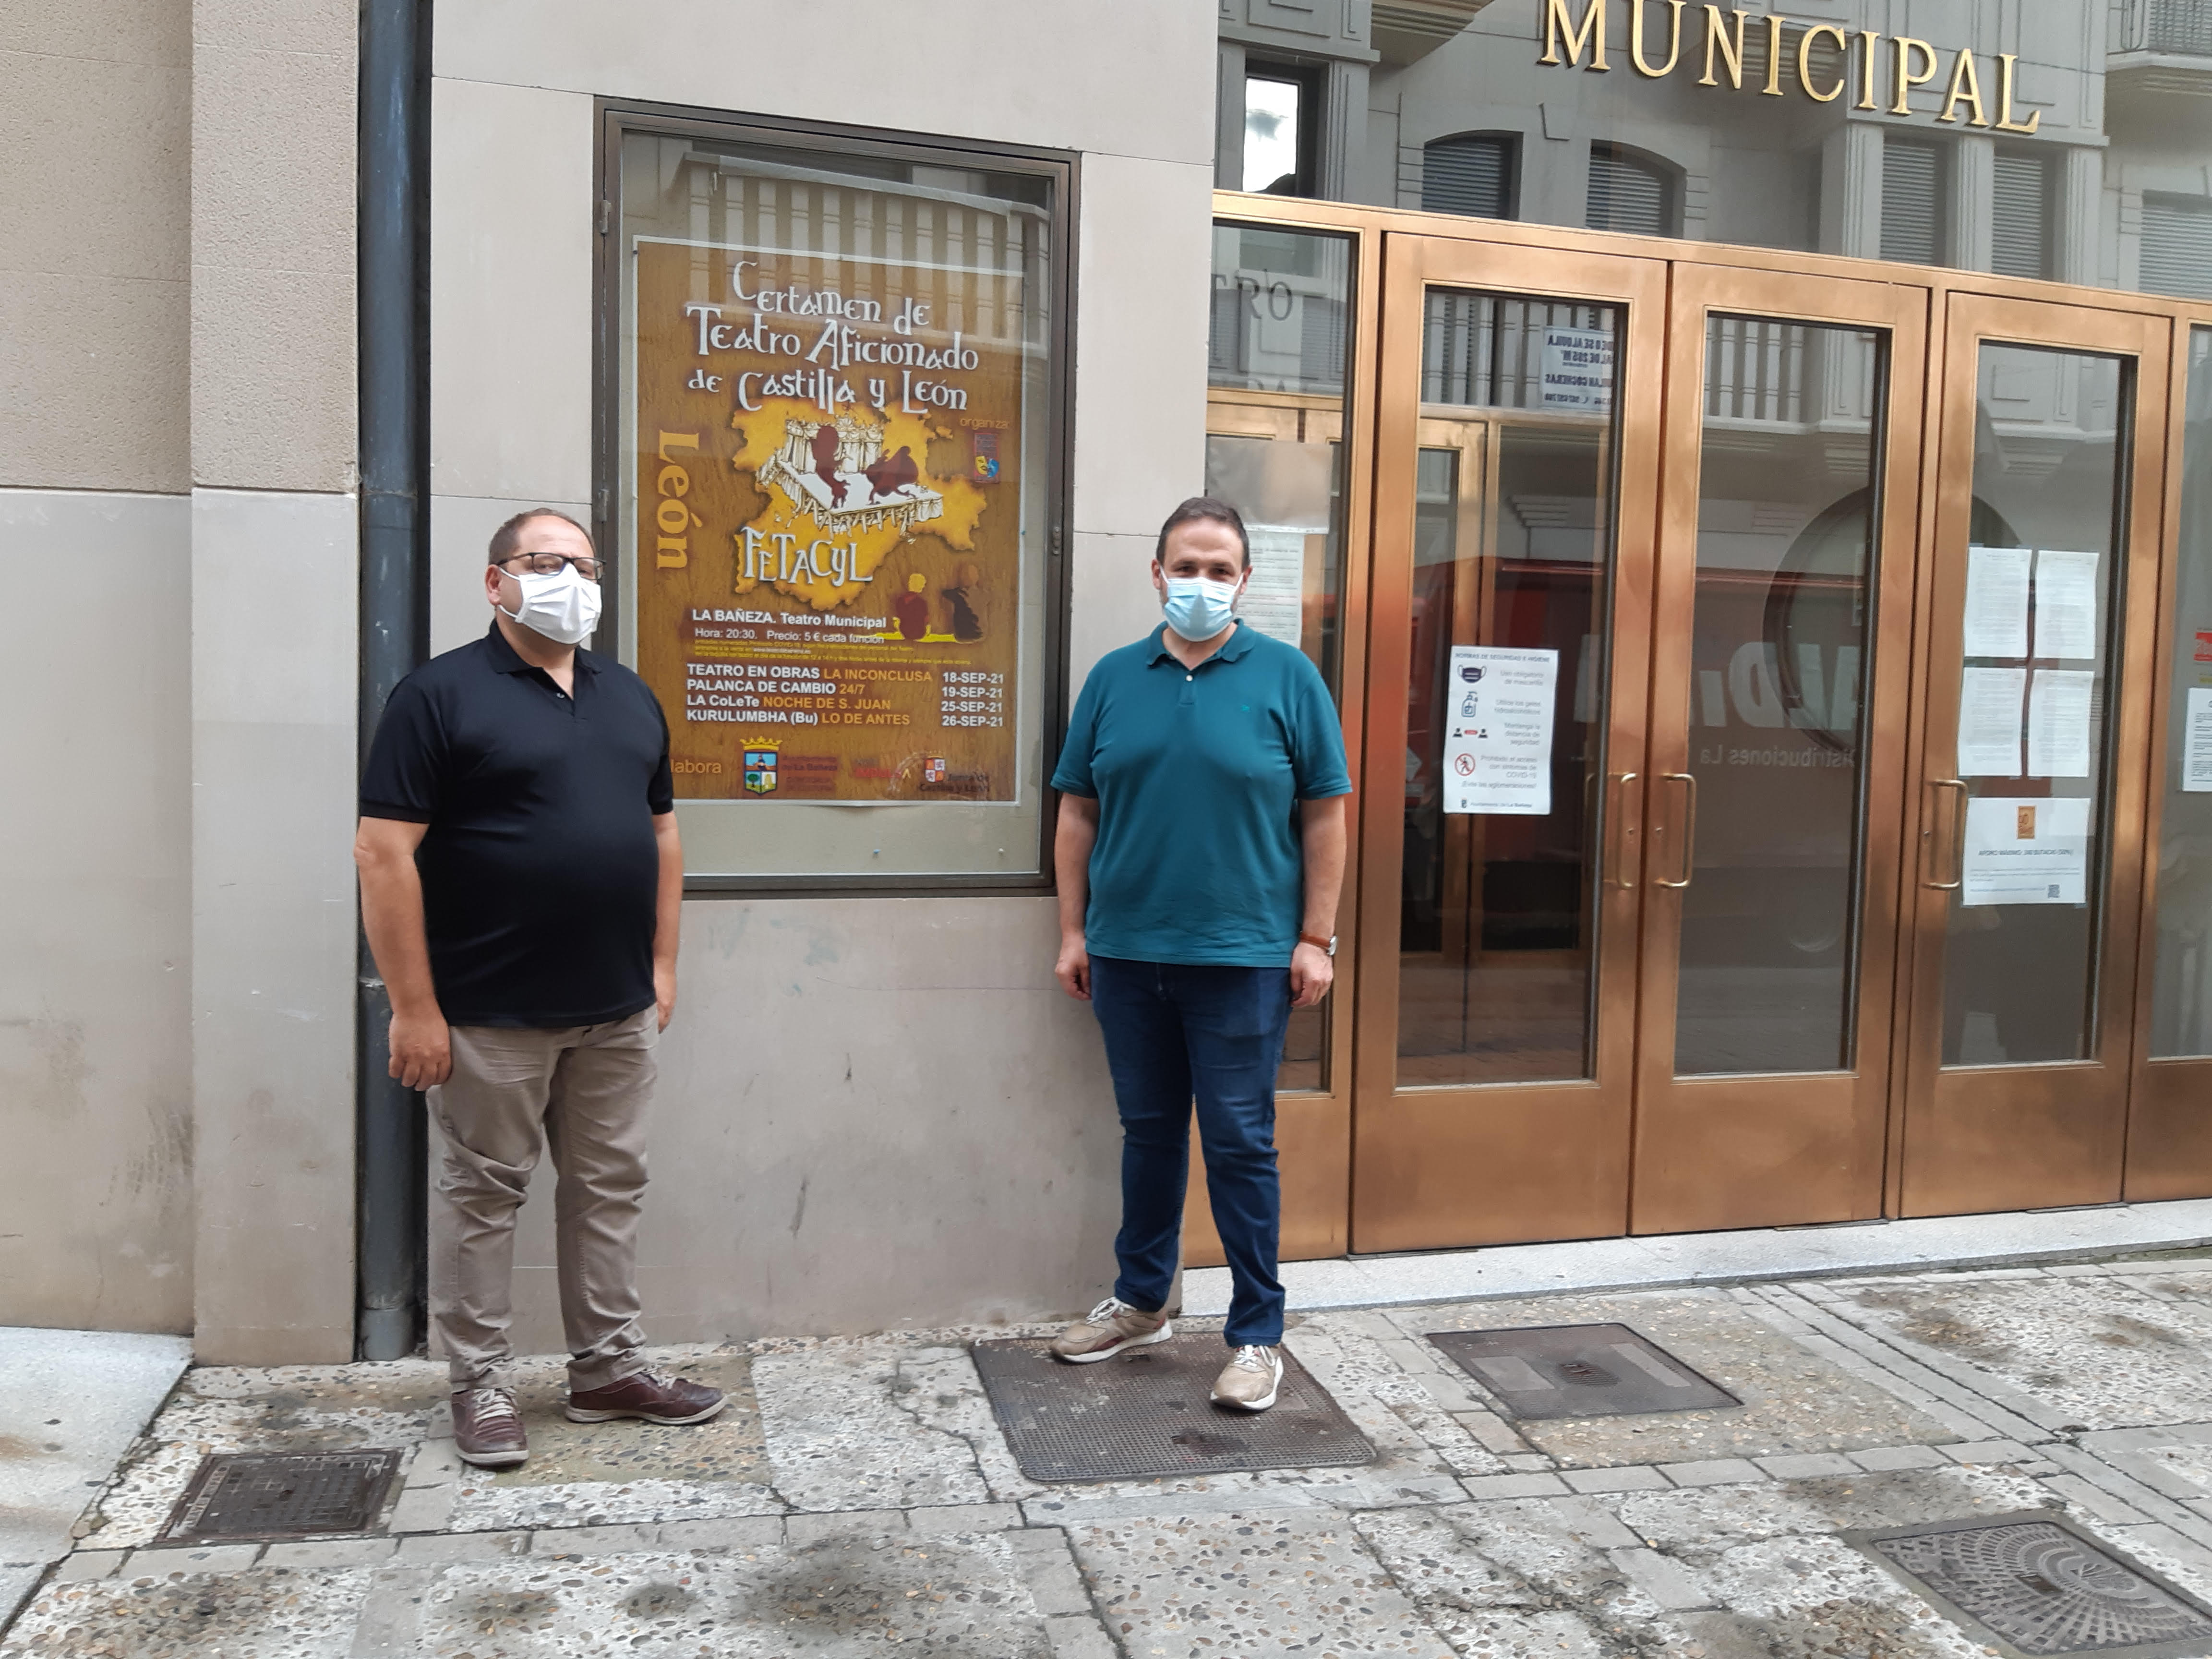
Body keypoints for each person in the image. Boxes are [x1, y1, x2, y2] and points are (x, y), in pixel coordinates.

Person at [354, 508, 724, 1468]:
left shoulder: (629, 695)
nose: (568, 579)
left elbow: (662, 835)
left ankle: (606, 1368)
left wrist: (663, 967)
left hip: (615, 1011)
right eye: (543, 562)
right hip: (487, 1014)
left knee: (610, 1188)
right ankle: (478, 1384)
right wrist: (414, 1007)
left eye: (584, 565)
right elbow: (385, 854)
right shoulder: (437, 697)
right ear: (495, 582)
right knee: (484, 1199)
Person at [1048, 496, 1350, 1411]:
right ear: (1157, 574)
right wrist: (1073, 930)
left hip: (1245, 957)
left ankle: (1258, 1333)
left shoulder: (1290, 678)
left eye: (1221, 571)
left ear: (1245, 583)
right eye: (1188, 567)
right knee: (1147, 1136)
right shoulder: (1112, 679)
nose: (1202, 585)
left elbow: (1326, 815)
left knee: (1239, 1145)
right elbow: (1076, 813)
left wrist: (1315, 938)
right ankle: (1142, 1301)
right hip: (1129, 954)